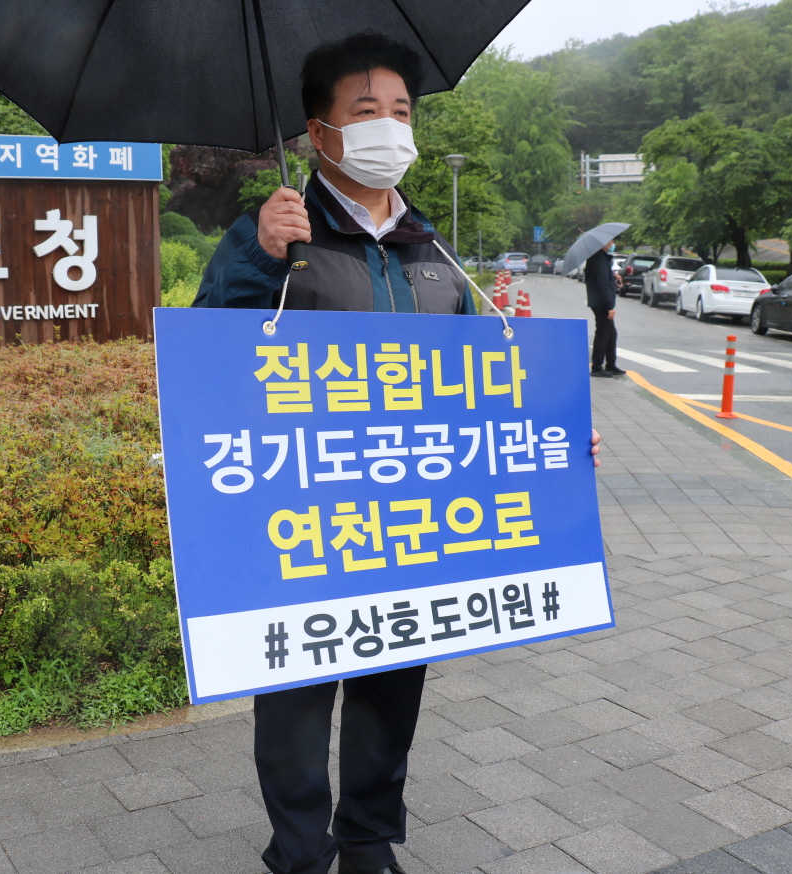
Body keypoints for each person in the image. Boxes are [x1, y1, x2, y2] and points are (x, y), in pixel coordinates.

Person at [195, 32, 600, 874]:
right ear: (320, 133)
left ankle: (370, 839)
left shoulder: (435, 254)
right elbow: (208, 357)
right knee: (296, 699)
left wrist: (553, 437)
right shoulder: (274, 237)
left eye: (401, 111)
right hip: (301, 519)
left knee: (392, 687)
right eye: (366, 111)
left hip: (406, 523)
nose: (390, 128)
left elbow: (484, 383)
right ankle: (299, 850)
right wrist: (257, 259)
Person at [585, 239, 625, 377]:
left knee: (611, 333)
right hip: (601, 302)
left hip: (600, 301)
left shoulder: (600, 258)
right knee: (603, 334)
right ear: (605, 243)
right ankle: (597, 366)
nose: (613, 244)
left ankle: (611, 364)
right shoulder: (600, 259)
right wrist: (609, 306)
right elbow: (602, 284)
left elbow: (604, 278)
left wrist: (612, 276)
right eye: (611, 241)